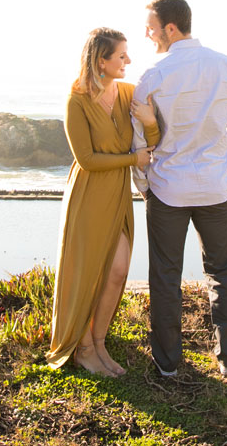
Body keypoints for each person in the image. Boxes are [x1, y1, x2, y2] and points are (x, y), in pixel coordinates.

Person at [132, 0, 227, 378]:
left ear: (170, 28)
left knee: (165, 275)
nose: (147, 34)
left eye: (151, 27)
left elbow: (140, 141)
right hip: (216, 189)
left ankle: (168, 363)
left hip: (168, 189)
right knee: (222, 271)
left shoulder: (153, 75)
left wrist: (144, 184)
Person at [46, 27, 160, 377]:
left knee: (118, 269)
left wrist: (151, 122)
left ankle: (98, 342)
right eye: (122, 55)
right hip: (88, 194)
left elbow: (150, 141)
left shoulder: (128, 93)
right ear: (101, 61)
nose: (128, 60)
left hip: (117, 195)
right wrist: (132, 161)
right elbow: (87, 159)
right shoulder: (76, 100)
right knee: (87, 274)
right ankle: (81, 349)